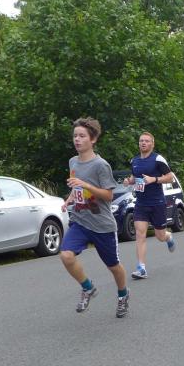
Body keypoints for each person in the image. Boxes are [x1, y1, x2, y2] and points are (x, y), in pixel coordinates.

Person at [59, 117, 130, 317]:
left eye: (82, 136)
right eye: (75, 136)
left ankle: (123, 295)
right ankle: (88, 287)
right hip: (80, 221)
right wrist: (69, 200)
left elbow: (108, 196)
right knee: (66, 255)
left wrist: (86, 185)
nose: (77, 139)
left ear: (93, 139)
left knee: (113, 266)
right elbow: (76, 186)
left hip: (102, 225)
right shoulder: (73, 161)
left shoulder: (101, 165)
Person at [123, 132, 176, 280]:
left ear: (152, 144)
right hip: (141, 203)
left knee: (160, 236)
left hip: (157, 203)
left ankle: (168, 237)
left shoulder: (158, 159)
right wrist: (129, 181)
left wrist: (154, 179)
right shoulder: (134, 160)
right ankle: (141, 268)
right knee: (140, 234)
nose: (143, 143)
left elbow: (170, 177)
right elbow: (135, 177)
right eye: (141, 141)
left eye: (147, 141)